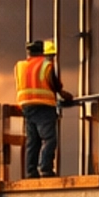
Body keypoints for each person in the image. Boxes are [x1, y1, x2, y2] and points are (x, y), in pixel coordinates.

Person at [14, 37, 69, 178]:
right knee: (49, 139)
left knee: (33, 141)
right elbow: (53, 83)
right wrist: (63, 93)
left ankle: (31, 172)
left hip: (26, 106)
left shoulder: (20, 66)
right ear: (42, 52)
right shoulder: (46, 65)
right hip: (43, 105)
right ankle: (45, 169)